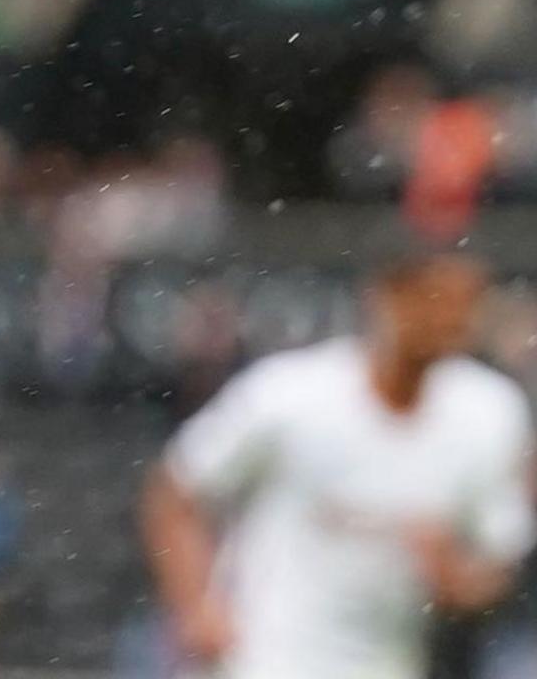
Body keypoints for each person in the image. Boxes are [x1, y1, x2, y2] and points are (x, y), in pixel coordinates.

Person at [140, 242, 535, 679]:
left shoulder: (490, 412)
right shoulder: (290, 393)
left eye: (467, 302)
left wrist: (455, 579)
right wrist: (196, 607)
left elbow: (497, 566)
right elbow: (175, 490)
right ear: (384, 296)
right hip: (260, 660)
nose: (449, 318)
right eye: (434, 299)